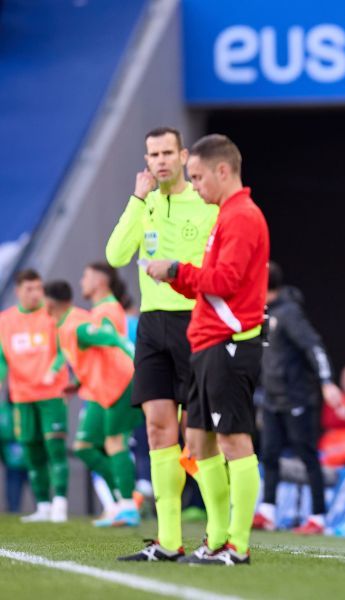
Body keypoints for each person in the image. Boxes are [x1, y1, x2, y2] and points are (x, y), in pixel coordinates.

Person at [145, 133, 269, 566]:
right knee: (198, 443)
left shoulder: (242, 217)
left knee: (235, 440)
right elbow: (213, 281)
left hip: (230, 343)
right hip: (207, 342)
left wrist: (177, 269)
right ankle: (216, 539)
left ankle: (237, 545)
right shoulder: (225, 215)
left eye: (197, 177)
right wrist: (177, 276)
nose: (194, 185)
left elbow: (225, 282)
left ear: (222, 170)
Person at [108, 127, 218, 562]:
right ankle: (168, 540)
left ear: (183, 155)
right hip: (152, 326)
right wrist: (136, 200)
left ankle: (218, 535)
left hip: (194, 322)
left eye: (168, 152)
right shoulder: (146, 204)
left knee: (200, 438)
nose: (160, 161)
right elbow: (116, 255)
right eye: (153, 154)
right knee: (157, 430)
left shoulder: (204, 204)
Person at [42, 280, 140, 526]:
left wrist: (131, 351)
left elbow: (109, 337)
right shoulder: (64, 324)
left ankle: (128, 504)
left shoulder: (76, 325)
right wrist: (75, 384)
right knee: (86, 447)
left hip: (117, 385)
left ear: (50, 302)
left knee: (113, 442)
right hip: (97, 389)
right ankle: (123, 499)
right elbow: (83, 356)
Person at [255, 262, 340, 535]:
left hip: (296, 398)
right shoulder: (263, 313)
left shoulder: (289, 313)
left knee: (307, 456)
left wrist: (326, 382)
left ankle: (318, 517)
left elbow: (313, 346)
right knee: (268, 454)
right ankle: (267, 511)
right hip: (271, 399)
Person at [0, 270, 70, 523]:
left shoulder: (52, 316)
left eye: (39, 288)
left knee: (55, 448)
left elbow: (66, 350)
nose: (35, 293)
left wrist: (54, 370)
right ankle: (42, 505)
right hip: (21, 397)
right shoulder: (5, 321)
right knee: (31, 450)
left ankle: (60, 502)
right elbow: (1, 358)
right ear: (18, 290)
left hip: (51, 394)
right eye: (29, 288)